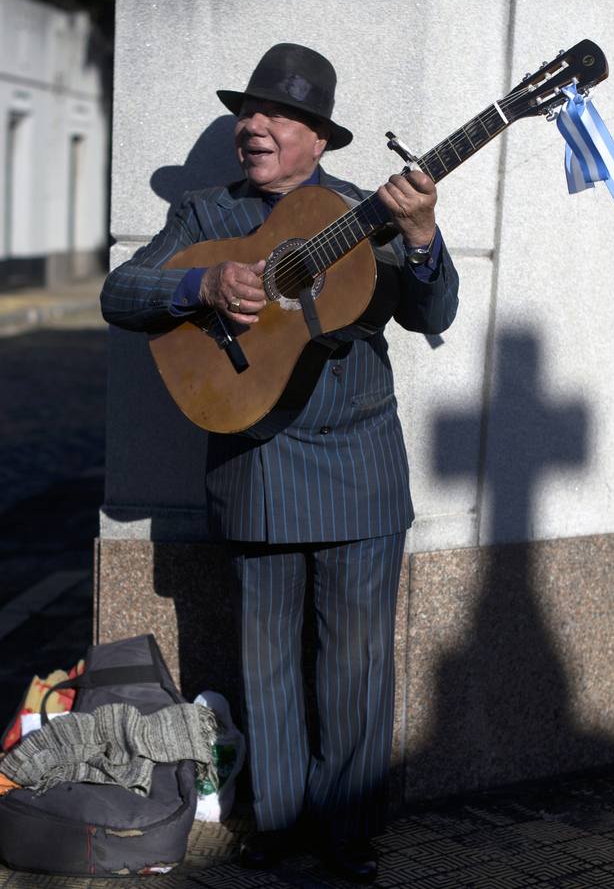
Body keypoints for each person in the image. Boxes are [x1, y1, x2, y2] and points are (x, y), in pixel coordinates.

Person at [101, 43, 459, 884]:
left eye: (280, 115)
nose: (254, 126)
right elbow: (120, 293)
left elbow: (432, 312)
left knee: (356, 663)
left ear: (319, 139)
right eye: (248, 112)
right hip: (255, 460)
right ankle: (279, 820)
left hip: (360, 460)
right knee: (264, 660)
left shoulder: (362, 210)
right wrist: (200, 288)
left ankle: (348, 828)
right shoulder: (204, 214)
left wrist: (420, 234)